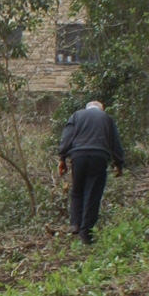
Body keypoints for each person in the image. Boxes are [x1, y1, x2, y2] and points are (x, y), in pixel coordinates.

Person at [58, 100, 125, 244]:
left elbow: (67, 137)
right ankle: (86, 234)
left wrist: (62, 158)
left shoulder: (76, 115)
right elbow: (115, 143)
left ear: (87, 108)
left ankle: (75, 223)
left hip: (78, 156)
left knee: (77, 190)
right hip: (99, 157)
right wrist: (119, 164)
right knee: (92, 193)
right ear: (101, 109)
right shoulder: (107, 118)